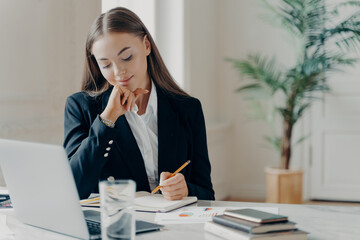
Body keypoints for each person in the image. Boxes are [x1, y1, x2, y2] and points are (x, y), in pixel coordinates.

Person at [63, 7, 215, 201]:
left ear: (146, 45)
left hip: (174, 225)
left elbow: (207, 194)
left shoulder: (188, 108)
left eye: (127, 57)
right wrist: (107, 120)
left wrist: (186, 190)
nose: (119, 72)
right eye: (106, 65)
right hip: (118, 224)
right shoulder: (81, 106)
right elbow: (72, 189)